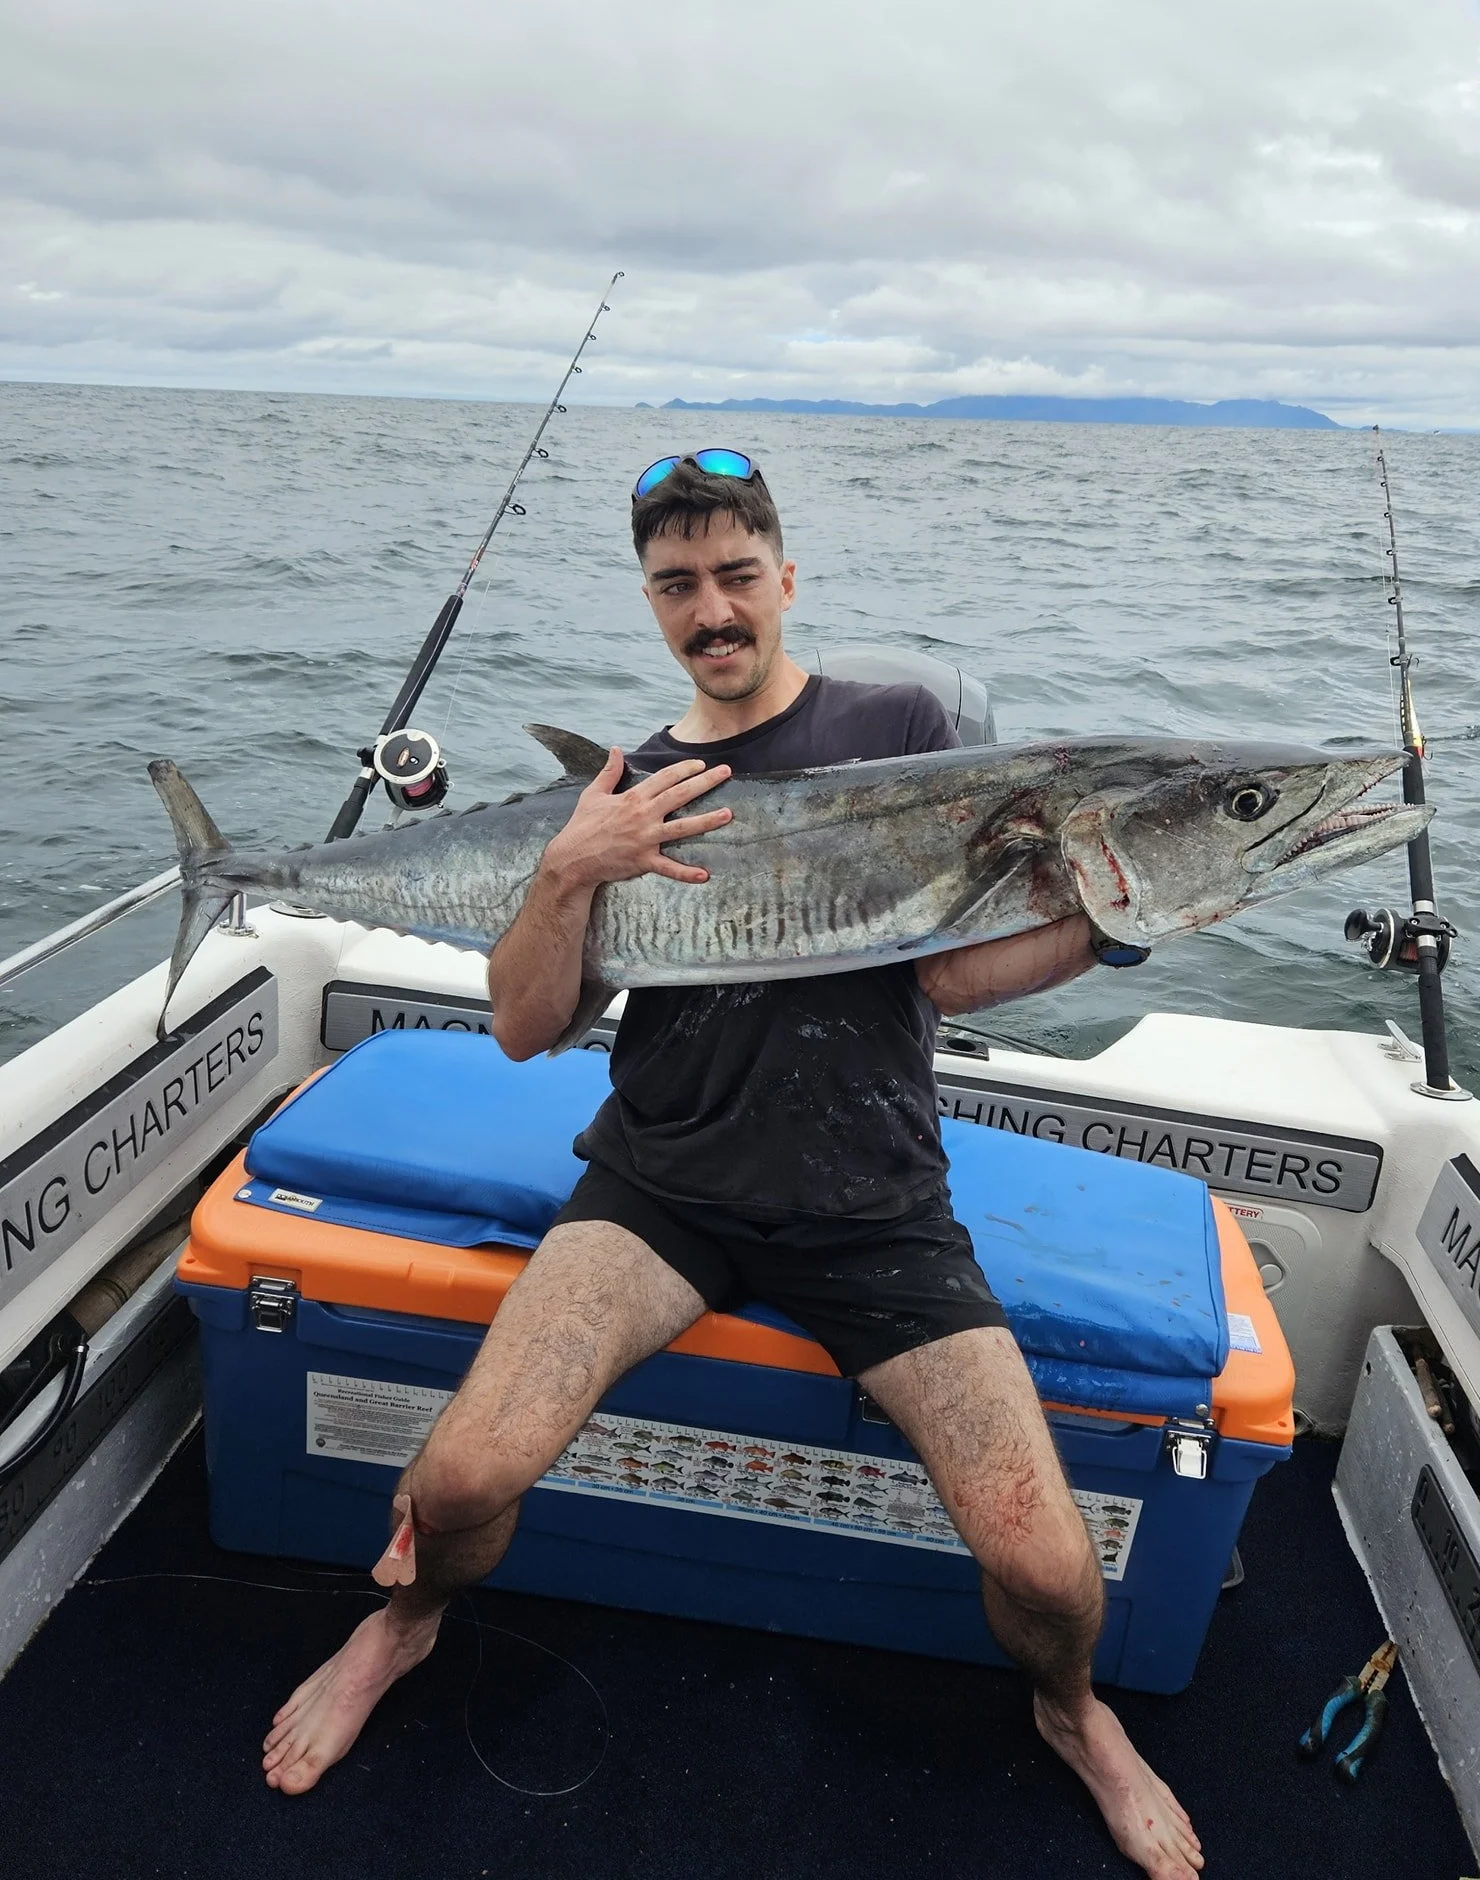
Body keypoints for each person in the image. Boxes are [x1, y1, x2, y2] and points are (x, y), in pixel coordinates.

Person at [261, 451, 1203, 1880]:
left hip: (874, 1208)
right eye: (678, 585)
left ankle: (1072, 1712)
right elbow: (523, 1027)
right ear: (651, 603)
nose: (712, 609)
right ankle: (404, 1620)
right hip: (658, 1192)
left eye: (736, 575)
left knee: (1046, 1566)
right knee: (454, 1482)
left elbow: (945, 976)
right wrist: (572, 866)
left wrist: (1121, 920)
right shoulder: (628, 787)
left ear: (785, 578)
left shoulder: (896, 728)